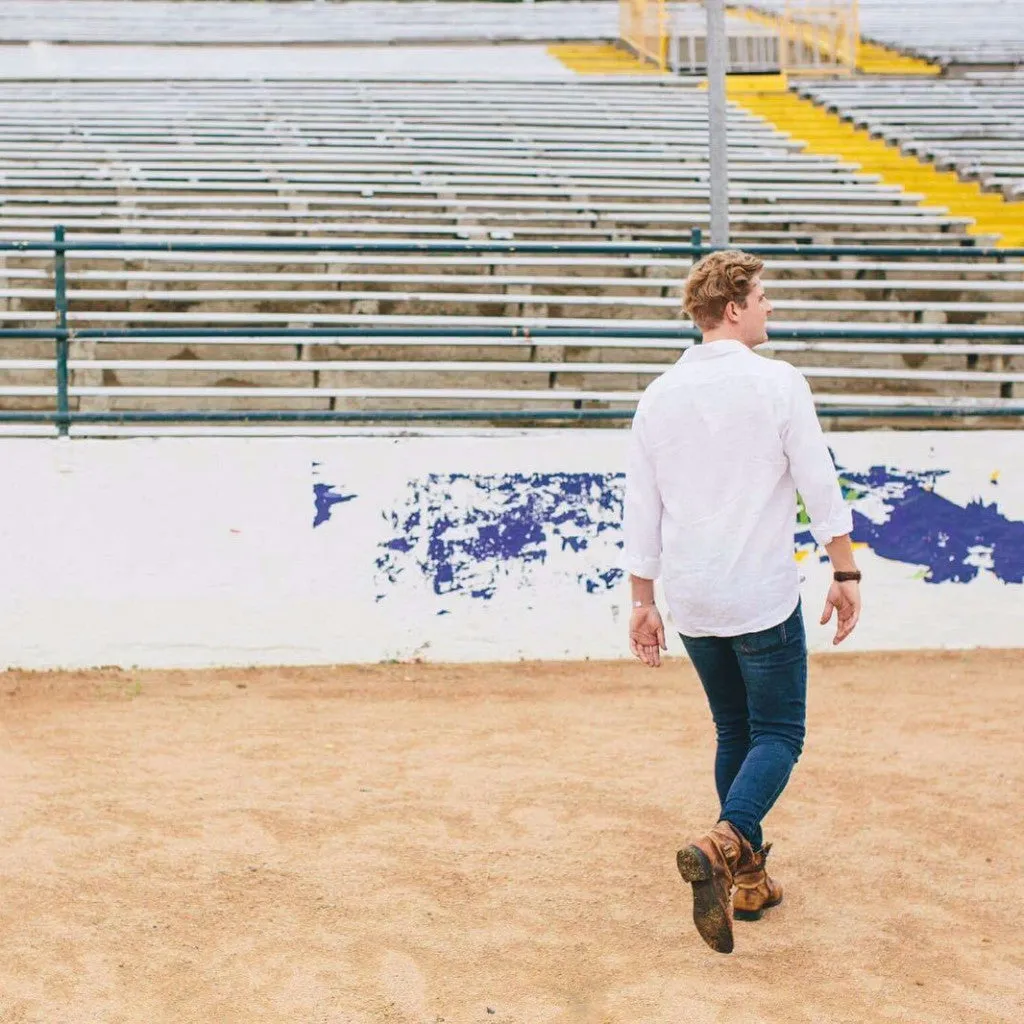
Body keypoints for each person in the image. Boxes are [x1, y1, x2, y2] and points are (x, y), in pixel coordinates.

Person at [622, 249, 862, 955]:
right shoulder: (779, 383)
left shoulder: (658, 394)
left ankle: (749, 879)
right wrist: (845, 574)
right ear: (733, 307)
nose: (768, 308)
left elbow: (642, 505)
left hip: (692, 596)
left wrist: (643, 599)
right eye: (761, 297)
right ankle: (725, 843)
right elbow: (818, 482)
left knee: (735, 731)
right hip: (758, 592)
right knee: (780, 733)